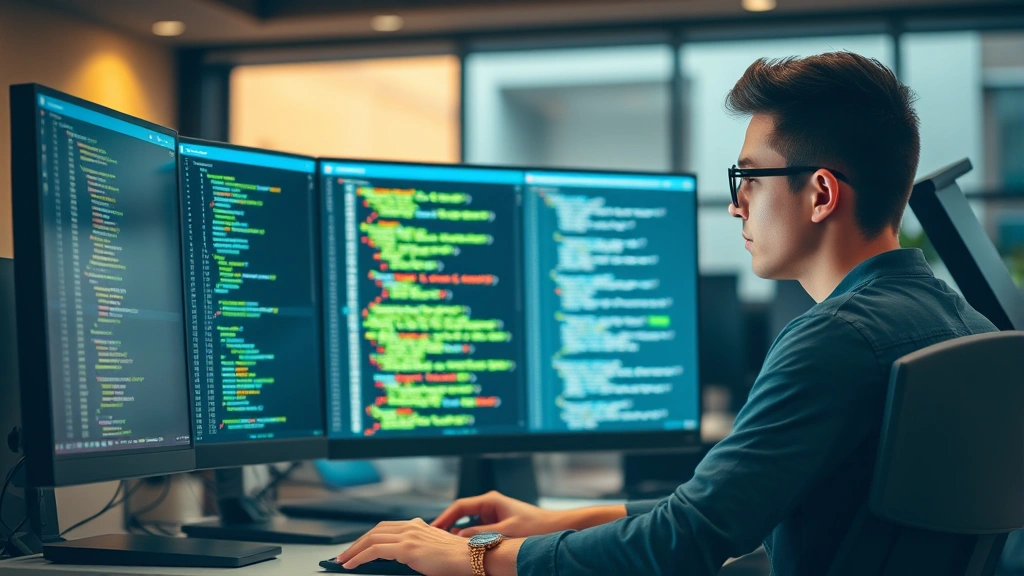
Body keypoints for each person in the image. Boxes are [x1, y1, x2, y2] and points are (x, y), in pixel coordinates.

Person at [334, 51, 998, 576]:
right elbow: (729, 508)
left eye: (749, 178)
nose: (736, 205)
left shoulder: (835, 339)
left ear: (820, 193)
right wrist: (554, 521)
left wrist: (476, 558)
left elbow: (688, 541)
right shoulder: (966, 326)